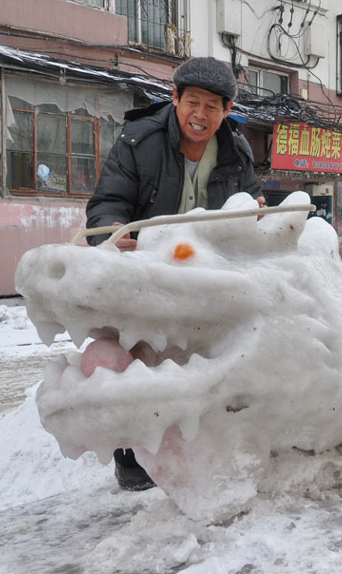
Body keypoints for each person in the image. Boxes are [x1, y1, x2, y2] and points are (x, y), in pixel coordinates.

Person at [85, 56, 265, 490]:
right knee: (139, 356)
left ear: (226, 111)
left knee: (207, 355)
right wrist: (111, 231)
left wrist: (259, 216)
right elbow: (107, 202)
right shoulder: (138, 141)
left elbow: (254, 202)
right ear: (175, 99)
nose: (200, 116)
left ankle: (202, 439)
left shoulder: (236, 151)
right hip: (147, 274)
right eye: (193, 103)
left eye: (212, 106)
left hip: (205, 276)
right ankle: (130, 453)